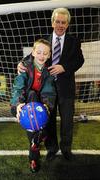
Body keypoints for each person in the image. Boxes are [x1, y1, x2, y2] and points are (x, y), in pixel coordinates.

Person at [17, 8, 84, 161]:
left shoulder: (74, 41)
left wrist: (64, 67)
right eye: (58, 22)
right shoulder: (45, 40)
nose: (60, 25)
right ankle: (52, 148)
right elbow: (31, 56)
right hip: (47, 90)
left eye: (64, 22)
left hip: (66, 88)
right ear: (53, 22)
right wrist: (21, 63)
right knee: (49, 120)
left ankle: (66, 149)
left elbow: (79, 60)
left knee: (67, 120)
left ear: (67, 24)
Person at [10, 39, 56, 173]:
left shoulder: (49, 71)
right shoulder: (25, 66)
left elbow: (49, 91)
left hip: (42, 105)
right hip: (24, 103)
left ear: (49, 55)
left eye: (45, 53)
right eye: (39, 52)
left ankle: (34, 155)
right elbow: (18, 87)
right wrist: (17, 105)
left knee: (37, 128)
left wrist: (47, 106)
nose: (42, 56)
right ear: (33, 52)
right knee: (31, 94)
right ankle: (39, 140)